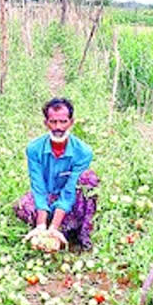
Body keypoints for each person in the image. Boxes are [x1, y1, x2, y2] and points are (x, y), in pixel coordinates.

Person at [14, 97, 99, 252]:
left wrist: (54, 225)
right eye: (53, 122)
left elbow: (69, 191)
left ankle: (79, 237)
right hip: (47, 197)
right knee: (22, 206)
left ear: (71, 122)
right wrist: (41, 224)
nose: (58, 127)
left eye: (63, 122)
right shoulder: (34, 149)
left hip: (70, 201)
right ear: (46, 123)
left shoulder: (83, 152)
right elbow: (38, 186)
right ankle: (45, 228)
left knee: (89, 179)